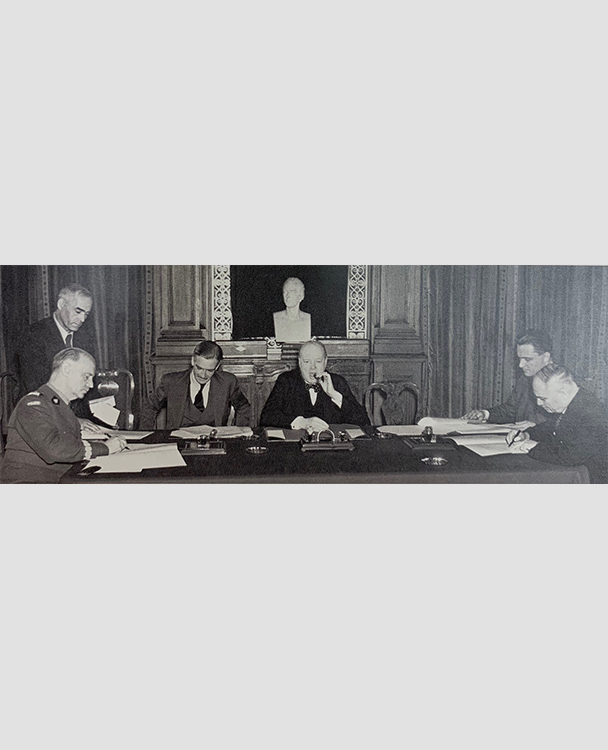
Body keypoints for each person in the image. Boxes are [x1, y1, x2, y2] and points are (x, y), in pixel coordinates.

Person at [1, 349, 126, 484]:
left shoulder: (59, 406)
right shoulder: (33, 404)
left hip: (57, 480)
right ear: (66, 369)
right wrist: (105, 448)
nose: (91, 385)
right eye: (86, 376)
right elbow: (54, 449)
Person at [507, 363, 608, 484]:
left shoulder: (590, 412)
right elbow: (550, 427)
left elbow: (571, 456)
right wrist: (526, 434)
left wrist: (534, 446)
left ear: (562, 393)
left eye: (543, 398)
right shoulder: (574, 402)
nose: (538, 403)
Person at [140, 341, 251, 430]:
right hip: (179, 443)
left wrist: (238, 434)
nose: (203, 375)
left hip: (214, 442)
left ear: (217, 367)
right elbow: (150, 406)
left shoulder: (227, 382)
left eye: (210, 370)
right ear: (193, 361)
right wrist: (147, 437)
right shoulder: (172, 382)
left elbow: (244, 408)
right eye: (199, 368)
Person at [259, 340, 369, 430]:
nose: (313, 367)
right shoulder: (286, 381)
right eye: (307, 362)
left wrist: (334, 395)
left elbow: (364, 421)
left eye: (318, 361)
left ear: (325, 362)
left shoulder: (337, 382)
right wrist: (302, 422)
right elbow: (266, 417)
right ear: (300, 363)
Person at [17, 283, 96, 396]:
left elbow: (90, 382)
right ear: (61, 304)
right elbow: (36, 384)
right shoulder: (33, 334)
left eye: (86, 314)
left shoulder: (86, 337)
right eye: (78, 312)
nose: (82, 319)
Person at [462, 330, 553, 424]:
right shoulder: (524, 379)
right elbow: (510, 410)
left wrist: (535, 428)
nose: (521, 365)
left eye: (527, 359)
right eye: (520, 359)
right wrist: (485, 414)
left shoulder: (559, 381)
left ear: (546, 357)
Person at [273, 277, 312, 343]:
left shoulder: (308, 318)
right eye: (285, 292)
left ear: (301, 295)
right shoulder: (276, 318)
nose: (287, 295)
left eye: (291, 291)